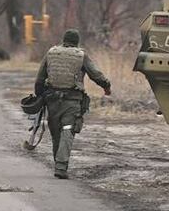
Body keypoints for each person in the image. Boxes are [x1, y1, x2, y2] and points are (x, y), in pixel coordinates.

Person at [34, 29, 111, 179]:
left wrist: (39, 96)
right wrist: (106, 87)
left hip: (52, 100)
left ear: (64, 40)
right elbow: (96, 74)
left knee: (56, 133)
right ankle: (61, 167)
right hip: (72, 101)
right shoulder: (81, 55)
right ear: (77, 42)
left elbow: (40, 78)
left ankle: (59, 162)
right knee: (67, 131)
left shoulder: (51, 53)